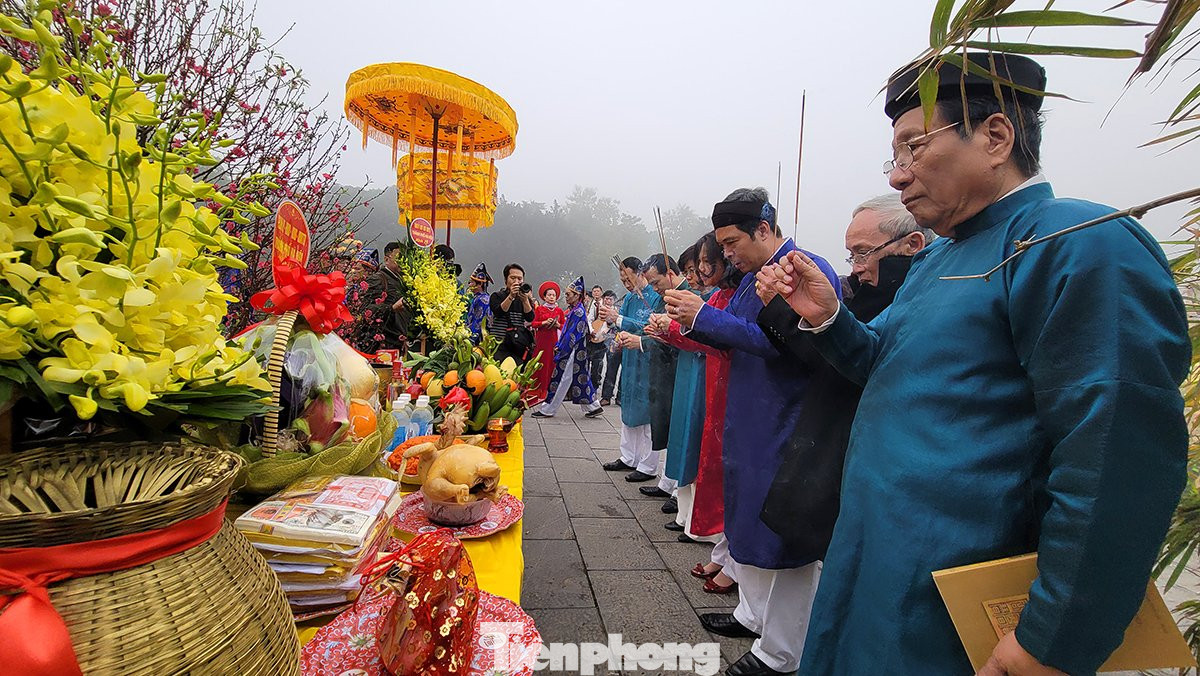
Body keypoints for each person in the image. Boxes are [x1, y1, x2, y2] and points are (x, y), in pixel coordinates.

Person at [762, 53, 1190, 676]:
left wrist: (1052, 638)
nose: (899, 175)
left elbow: (1117, 455)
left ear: (994, 137)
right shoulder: (940, 258)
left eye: (913, 147)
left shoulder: (1071, 242)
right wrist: (830, 319)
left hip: (956, 591)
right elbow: (886, 364)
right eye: (894, 156)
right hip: (871, 556)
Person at [664, 188, 840, 676]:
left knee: (785, 536)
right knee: (748, 521)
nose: (726, 254)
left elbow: (784, 345)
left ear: (763, 229)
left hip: (786, 423)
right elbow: (738, 336)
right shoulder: (749, 281)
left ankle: (782, 652)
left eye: (731, 242)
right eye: (722, 244)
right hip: (750, 418)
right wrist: (693, 322)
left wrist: (704, 317)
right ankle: (754, 615)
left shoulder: (806, 272)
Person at [751, 194, 928, 609]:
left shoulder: (914, 297)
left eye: (863, 253)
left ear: (913, 244)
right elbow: (833, 356)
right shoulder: (868, 292)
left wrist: (797, 314)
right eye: (851, 255)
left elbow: (856, 364)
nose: (856, 267)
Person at [649, 231, 740, 594]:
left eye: (706, 261)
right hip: (717, 388)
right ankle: (724, 553)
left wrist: (688, 321)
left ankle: (735, 563)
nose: (701, 270)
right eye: (696, 264)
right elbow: (704, 336)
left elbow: (729, 336)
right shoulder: (719, 295)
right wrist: (671, 328)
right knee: (718, 472)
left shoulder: (745, 291)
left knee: (731, 479)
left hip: (735, 391)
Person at [599, 257, 661, 483]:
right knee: (628, 407)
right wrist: (615, 333)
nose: (626, 283)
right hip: (630, 359)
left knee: (647, 413)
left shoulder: (655, 297)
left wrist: (619, 319)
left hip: (648, 359)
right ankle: (629, 457)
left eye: (629, 278)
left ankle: (648, 465)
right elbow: (620, 325)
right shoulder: (629, 298)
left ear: (641, 273)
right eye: (622, 280)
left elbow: (650, 328)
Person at [532, 277, 604, 419]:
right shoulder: (576, 310)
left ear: (577, 296)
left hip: (572, 351)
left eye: (568, 294)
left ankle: (548, 409)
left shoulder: (578, 312)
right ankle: (593, 406)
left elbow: (572, 334)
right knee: (581, 378)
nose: (565, 297)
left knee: (560, 378)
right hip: (578, 351)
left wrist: (560, 347)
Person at [362, 241, 414, 355]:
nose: (403, 262)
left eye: (406, 258)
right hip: (381, 345)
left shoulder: (405, 282)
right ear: (386, 259)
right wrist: (392, 308)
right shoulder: (378, 279)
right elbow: (366, 310)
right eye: (399, 258)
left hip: (399, 343)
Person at [489, 263, 535, 365]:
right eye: (513, 278)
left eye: (519, 279)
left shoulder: (524, 299)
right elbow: (499, 312)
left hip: (517, 345)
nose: (516, 282)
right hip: (499, 343)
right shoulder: (497, 296)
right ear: (506, 280)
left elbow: (530, 317)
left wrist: (525, 300)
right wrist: (511, 296)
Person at [531, 281, 565, 402]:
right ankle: (536, 390)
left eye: (553, 295)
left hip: (553, 341)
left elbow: (564, 326)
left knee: (551, 363)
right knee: (540, 362)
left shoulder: (559, 311)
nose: (551, 297)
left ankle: (549, 391)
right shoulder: (539, 309)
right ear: (544, 297)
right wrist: (544, 322)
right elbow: (533, 324)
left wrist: (557, 325)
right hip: (541, 341)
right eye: (549, 295)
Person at [599, 290, 621, 406]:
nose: (608, 301)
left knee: (624, 371)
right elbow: (608, 325)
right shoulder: (604, 311)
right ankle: (606, 396)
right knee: (611, 369)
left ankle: (620, 397)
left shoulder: (619, 309)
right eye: (606, 298)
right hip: (612, 343)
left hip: (625, 340)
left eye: (610, 299)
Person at [586, 285, 608, 396]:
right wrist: (591, 330)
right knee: (589, 360)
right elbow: (589, 319)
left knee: (598, 362)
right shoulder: (590, 304)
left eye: (598, 291)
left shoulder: (606, 304)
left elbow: (608, 321)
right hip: (592, 336)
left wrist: (602, 332)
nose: (596, 293)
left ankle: (595, 384)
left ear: (601, 292)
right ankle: (588, 383)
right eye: (594, 291)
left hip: (603, 337)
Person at [464, 262, 493, 345]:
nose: (469, 285)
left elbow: (478, 323)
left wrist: (468, 340)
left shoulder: (483, 300)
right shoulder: (478, 297)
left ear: (480, 284)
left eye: (472, 282)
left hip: (478, 342)